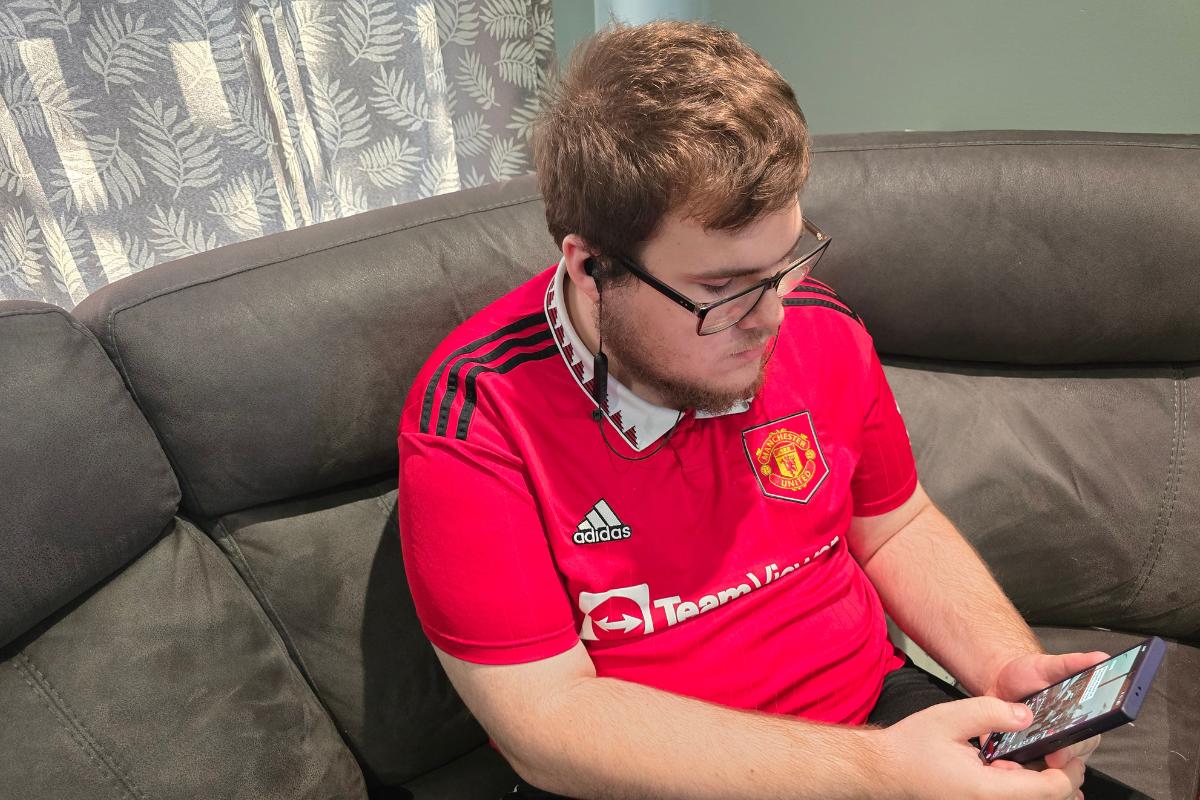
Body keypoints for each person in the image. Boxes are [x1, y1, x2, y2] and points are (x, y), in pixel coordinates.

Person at [397, 19, 1118, 800]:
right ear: (590, 266)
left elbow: (895, 525)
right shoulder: (474, 420)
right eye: (723, 288)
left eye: (783, 263)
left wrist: (1007, 671)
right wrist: (878, 776)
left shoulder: (813, 320)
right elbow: (547, 722)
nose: (773, 315)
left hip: (879, 716)